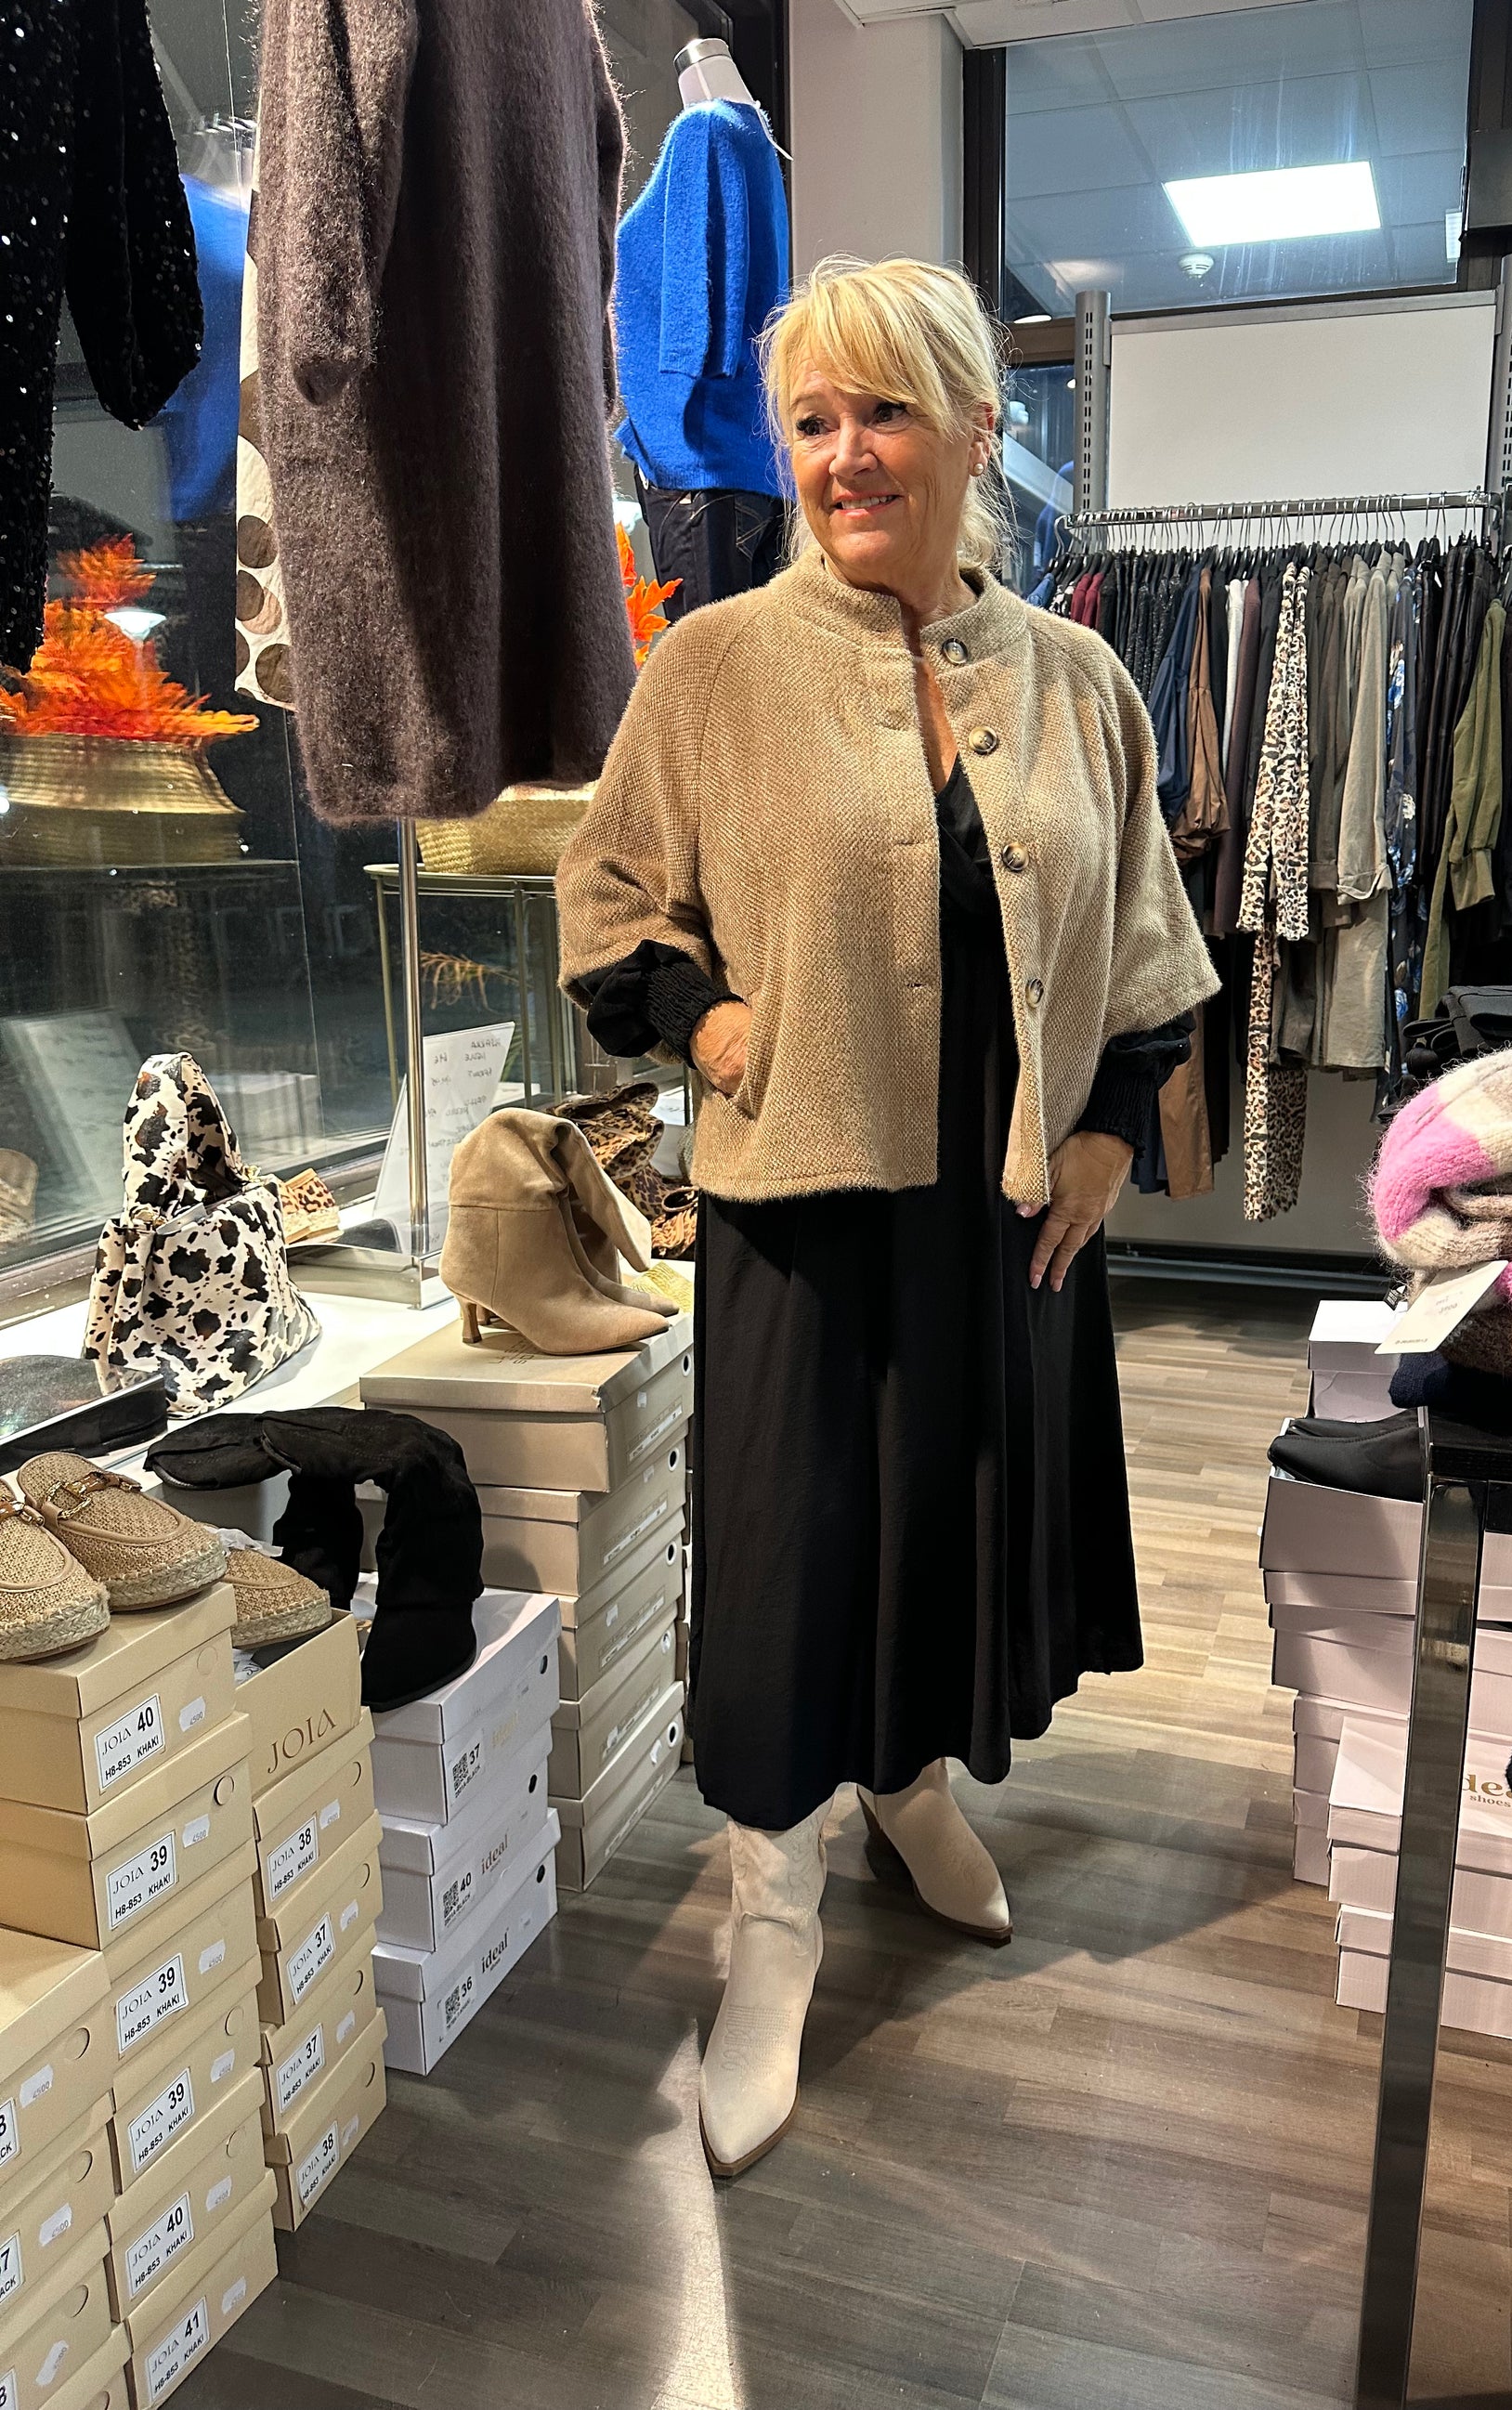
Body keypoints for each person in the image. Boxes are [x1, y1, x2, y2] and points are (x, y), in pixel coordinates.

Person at [557, 254, 1217, 2179]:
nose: (844, 455)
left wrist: (1109, 1136)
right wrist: (714, 1021)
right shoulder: (713, 667)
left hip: (1005, 1213)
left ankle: (917, 1785)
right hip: (802, 1203)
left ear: (976, 430)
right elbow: (610, 904)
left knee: (950, 1522)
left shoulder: (1079, 681)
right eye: (812, 422)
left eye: (884, 412)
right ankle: (772, 1913)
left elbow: (1149, 945)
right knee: (793, 1556)